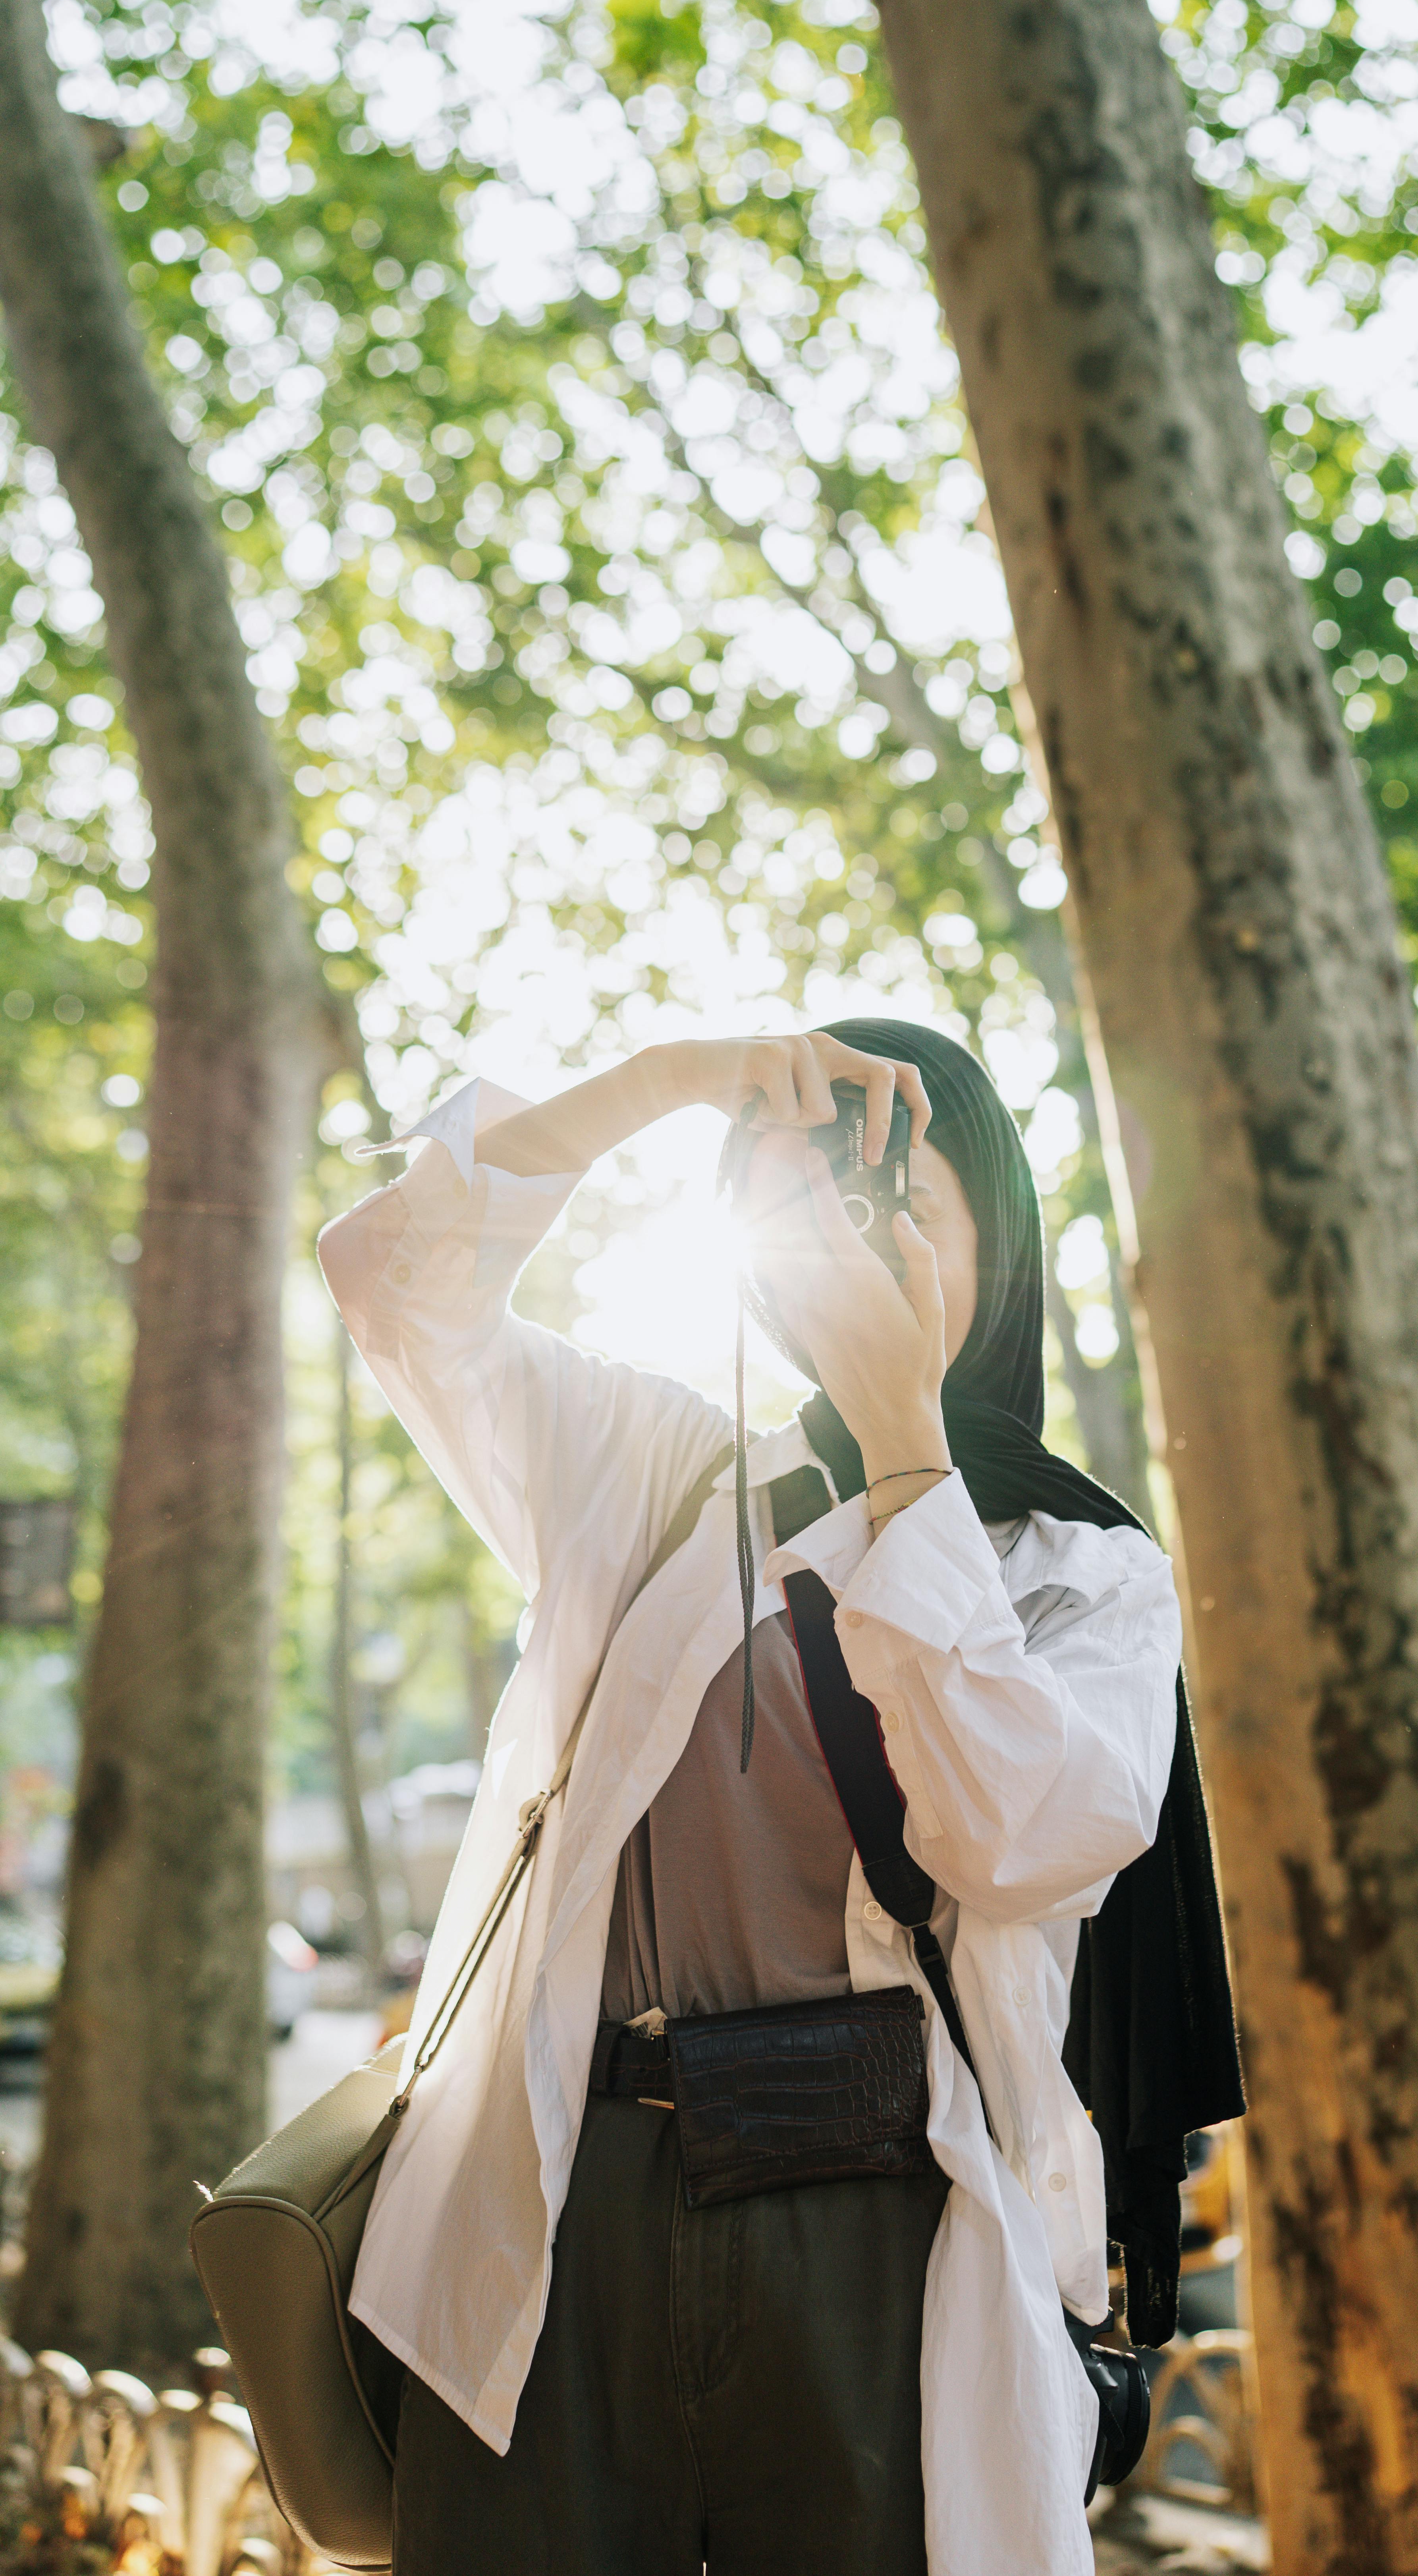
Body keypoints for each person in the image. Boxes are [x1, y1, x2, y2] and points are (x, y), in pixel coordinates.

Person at [317, 1019, 1239, 2576]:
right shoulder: (661, 1479)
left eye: (895, 1209)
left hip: (880, 2228)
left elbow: (1028, 1839)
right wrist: (674, 1081)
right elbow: (391, 1276)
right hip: (567, 2203)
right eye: (801, 1206)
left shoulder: (1082, 1570)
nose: (850, 1253)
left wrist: (904, 1452)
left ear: (994, 1247)